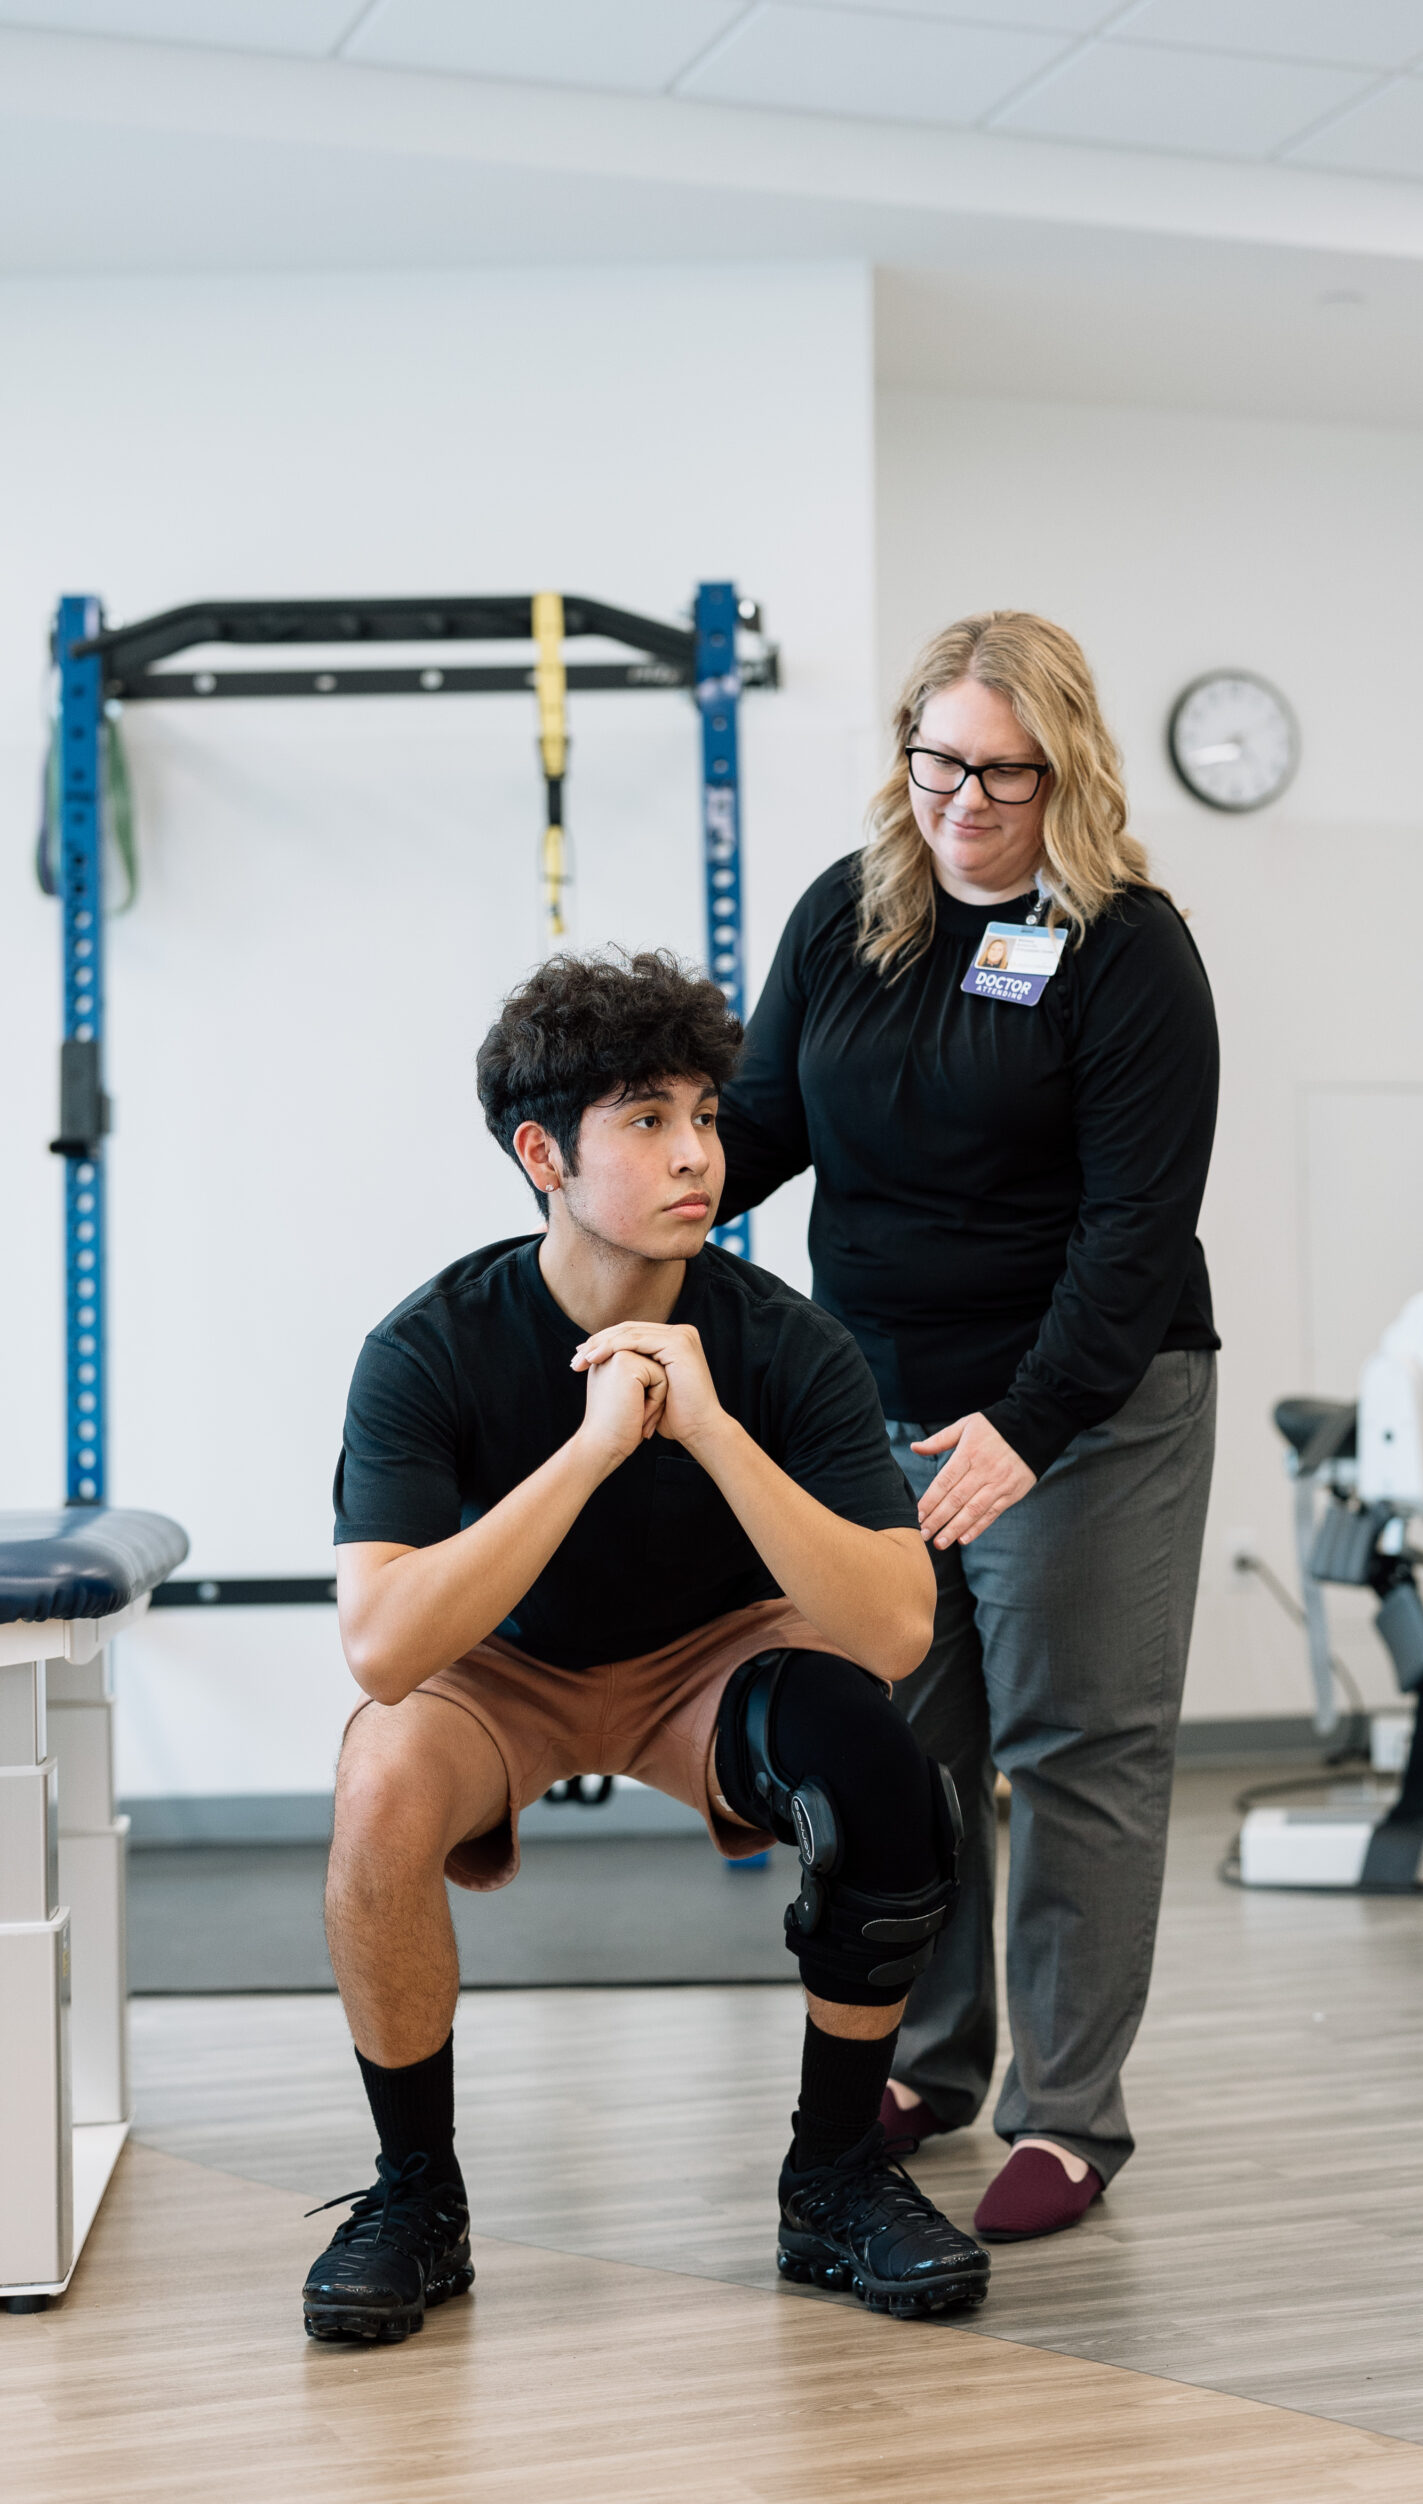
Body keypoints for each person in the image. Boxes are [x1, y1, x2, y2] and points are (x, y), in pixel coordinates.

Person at [302, 950, 990, 2343]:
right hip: (503, 1677)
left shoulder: (788, 1345)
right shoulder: (429, 1347)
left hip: (711, 1663)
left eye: (706, 1117)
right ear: (543, 1155)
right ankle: (417, 2197)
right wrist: (592, 1447)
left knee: (886, 1774)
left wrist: (712, 1430)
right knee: (378, 1783)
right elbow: (380, 1648)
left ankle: (834, 2177)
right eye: (647, 1121)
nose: (697, 1155)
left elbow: (896, 1624)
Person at [716, 611, 1218, 2243]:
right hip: (874, 1402)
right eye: (940, 764)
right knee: (905, 1740)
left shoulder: (1127, 948)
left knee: (1073, 1750)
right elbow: (762, 1124)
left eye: (1006, 774)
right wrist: (620, 1176)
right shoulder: (848, 914)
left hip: (1091, 1405)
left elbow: (1135, 1233)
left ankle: (1067, 2115)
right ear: (905, 753)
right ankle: (927, 2062)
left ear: (1066, 771)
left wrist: (1030, 1422)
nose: (965, 803)